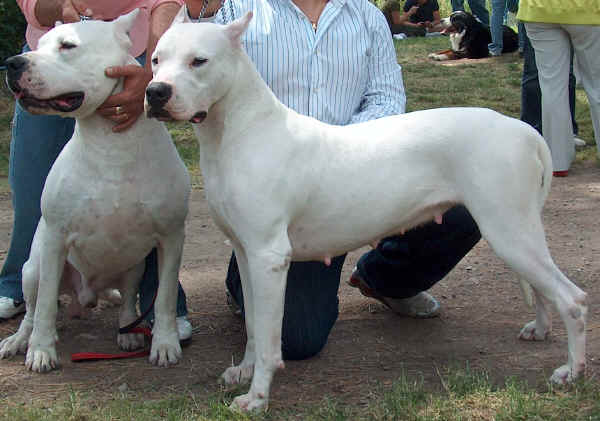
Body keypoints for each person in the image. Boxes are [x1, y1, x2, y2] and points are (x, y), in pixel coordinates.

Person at [184, 0, 481, 361]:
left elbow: (386, 99)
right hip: (283, 196)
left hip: (356, 168)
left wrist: (338, 157)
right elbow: (196, 55)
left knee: (466, 209)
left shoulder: (368, 16)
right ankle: (244, 277)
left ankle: (386, 279)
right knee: (298, 340)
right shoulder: (238, 11)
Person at [0, 0, 192, 341]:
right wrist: (59, 6)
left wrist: (152, 68)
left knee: (149, 212)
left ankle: (158, 308)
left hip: (129, 49)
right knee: (38, 205)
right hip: (58, 47)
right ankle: (24, 295)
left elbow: (168, 1)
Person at [517, 0, 600, 177]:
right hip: (588, 10)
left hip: (538, 10)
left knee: (551, 87)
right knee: (597, 86)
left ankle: (558, 161)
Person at [520, 24, 585, 154]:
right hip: (538, 12)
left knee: (567, 74)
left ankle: (566, 133)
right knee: (534, 74)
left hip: (571, 11)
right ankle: (531, 132)